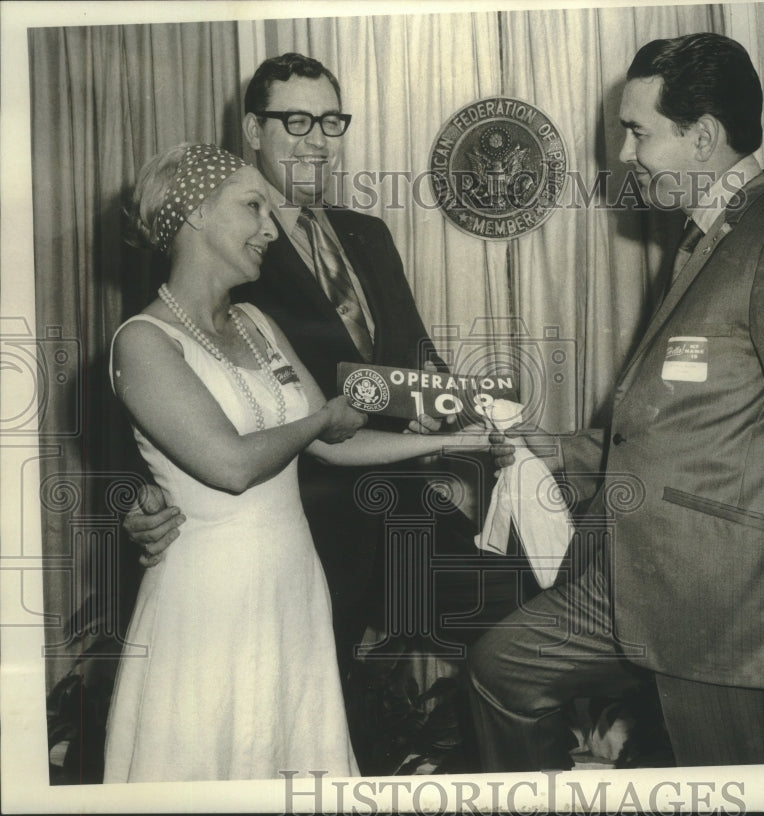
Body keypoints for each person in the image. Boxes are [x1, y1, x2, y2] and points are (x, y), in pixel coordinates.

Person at [467, 33, 764, 769]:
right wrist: (572, 449)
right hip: (635, 580)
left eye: (639, 133)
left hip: (735, 606)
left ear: (702, 138)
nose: (628, 155)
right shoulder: (704, 239)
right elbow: (697, 423)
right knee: (499, 670)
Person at [122, 54, 538, 681]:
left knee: (522, 621)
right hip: (299, 530)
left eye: (330, 121)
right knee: (326, 721)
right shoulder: (211, 246)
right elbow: (148, 395)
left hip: (403, 509)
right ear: (253, 130)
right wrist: (133, 499)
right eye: (295, 121)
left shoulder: (367, 232)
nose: (318, 140)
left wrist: (482, 430)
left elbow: (417, 364)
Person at [103, 143, 487, 782]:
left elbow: (334, 444)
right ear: (195, 214)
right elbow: (230, 465)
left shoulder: (256, 321)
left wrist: (451, 442)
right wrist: (321, 418)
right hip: (209, 600)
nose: (268, 227)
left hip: (293, 585)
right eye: (252, 207)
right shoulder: (142, 342)